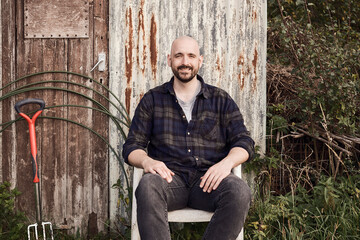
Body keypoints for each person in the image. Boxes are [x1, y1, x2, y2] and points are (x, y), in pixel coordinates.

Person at [122, 36, 254, 240]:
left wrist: (226, 164)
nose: (185, 62)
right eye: (179, 56)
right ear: (169, 60)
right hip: (169, 181)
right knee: (148, 186)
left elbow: (244, 142)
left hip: (209, 182)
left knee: (239, 191)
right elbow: (132, 146)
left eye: (191, 56)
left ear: (200, 60)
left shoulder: (221, 100)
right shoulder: (153, 99)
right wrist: (147, 161)